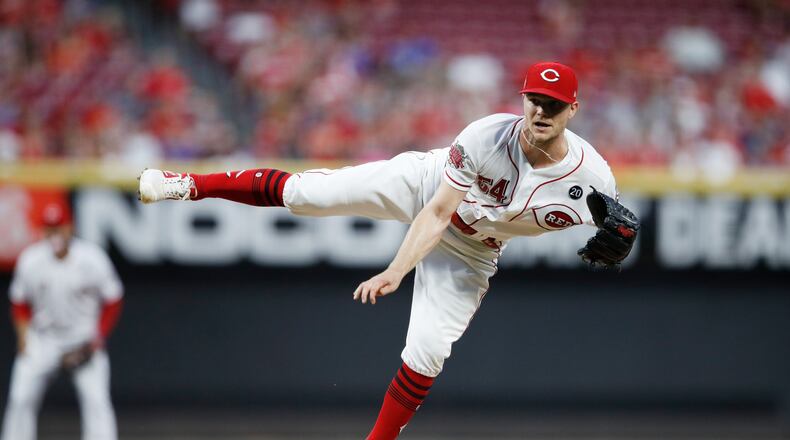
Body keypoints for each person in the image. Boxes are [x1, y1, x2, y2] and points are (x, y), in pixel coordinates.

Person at [138, 61, 638, 439]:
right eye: (534, 99)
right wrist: (397, 270)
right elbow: (438, 214)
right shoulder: (486, 135)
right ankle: (187, 184)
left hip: (475, 250)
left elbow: (618, 232)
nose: (540, 111)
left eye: (553, 103)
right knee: (306, 194)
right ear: (522, 98)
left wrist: (622, 242)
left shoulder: (593, 180)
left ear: (574, 109)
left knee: (428, 352)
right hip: (427, 188)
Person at [2, 203, 124, 440]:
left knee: (97, 403)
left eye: (59, 228)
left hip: (82, 340)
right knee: (20, 398)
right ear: (43, 231)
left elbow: (113, 299)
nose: (55, 235)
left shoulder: (92, 258)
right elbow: (19, 302)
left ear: (70, 227)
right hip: (43, 339)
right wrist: (23, 335)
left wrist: (99, 336)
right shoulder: (31, 260)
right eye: (50, 229)